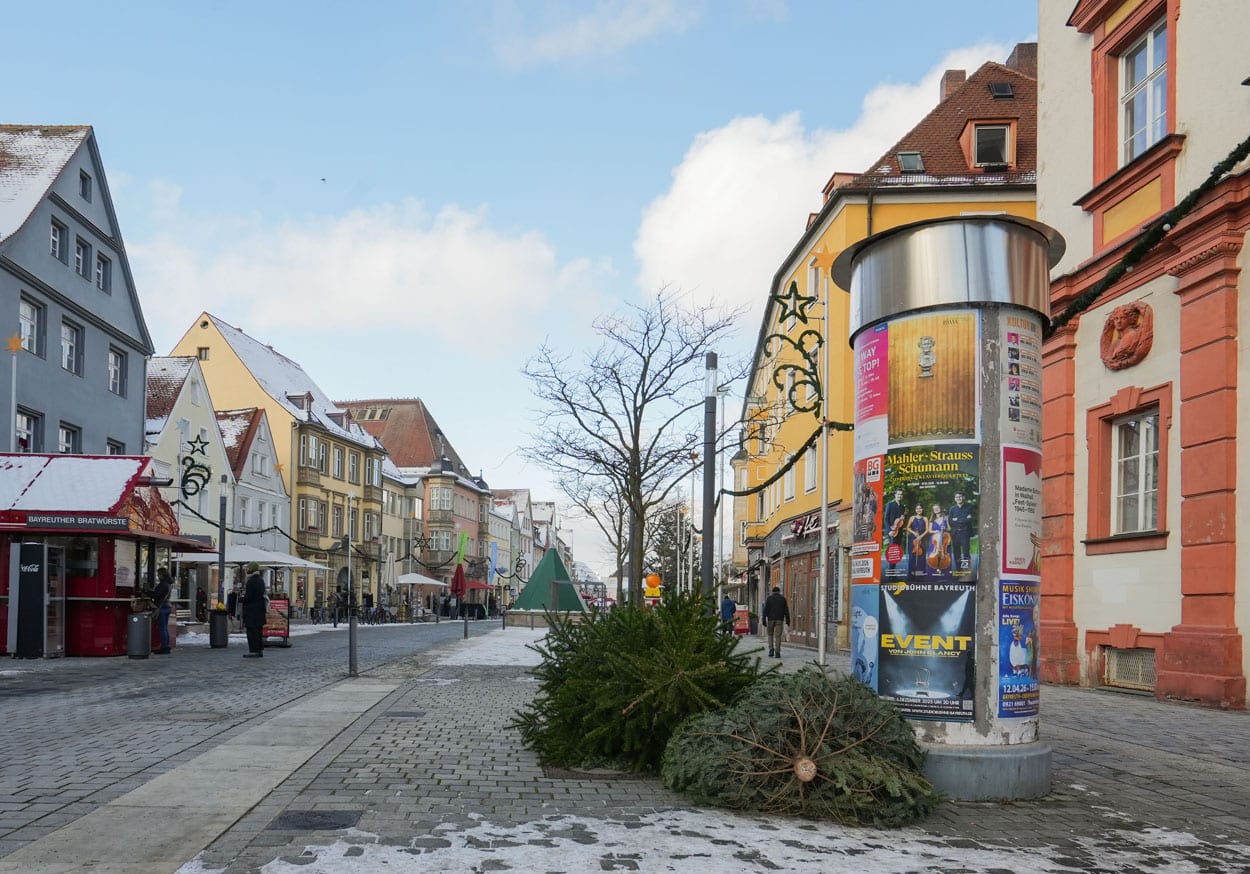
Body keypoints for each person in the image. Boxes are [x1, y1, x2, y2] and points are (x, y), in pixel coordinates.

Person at [240, 561, 267, 658]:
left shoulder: (251, 581)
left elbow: (249, 597)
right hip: (260, 610)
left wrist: (242, 599)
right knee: (258, 631)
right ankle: (259, 650)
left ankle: (253, 650)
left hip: (252, 611)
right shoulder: (261, 580)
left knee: (252, 632)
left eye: (248, 568)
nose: (247, 570)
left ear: (252, 569)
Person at [947, 491, 974, 576]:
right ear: (955, 499)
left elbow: (969, 520)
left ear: (963, 497)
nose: (958, 498)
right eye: (957, 497)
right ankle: (959, 571)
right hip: (955, 534)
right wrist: (963, 519)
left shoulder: (969, 507)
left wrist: (957, 520)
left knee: (966, 552)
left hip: (965, 533)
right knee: (956, 553)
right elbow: (950, 522)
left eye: (960, 496)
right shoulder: (952, 509)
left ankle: (966, 572)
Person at [762, 586, 790, 659]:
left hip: (770, 619)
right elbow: (786, 611)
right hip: (779, 620)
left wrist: (763, 619)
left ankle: (771, 649)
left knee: (770, 634)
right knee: (778, 636)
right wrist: (788, 621)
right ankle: (777, 652)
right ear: (779, 592)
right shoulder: (783, 599)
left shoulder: (769, 599)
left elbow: (765, 610)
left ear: (772, 592)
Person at [882, 489, 907, 571]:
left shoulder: (902, 507)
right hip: (891, 532)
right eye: (898, 494)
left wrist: (903, 518)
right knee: (892, 552)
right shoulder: (890, 504)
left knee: (896, 553)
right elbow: (886, 519)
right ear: (895, 495)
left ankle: (892, 570)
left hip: (899, 532)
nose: (899, 496)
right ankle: (890, 572)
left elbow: (902, 522)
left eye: (901, 494)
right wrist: (889, 530)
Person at [151, 566, 173, 655]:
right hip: (167, 606)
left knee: (162, 628)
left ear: (162, 575)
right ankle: (166, 646)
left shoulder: (163, 584)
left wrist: (147, 592)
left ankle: (164, 647)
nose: (157, 576)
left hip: (162, 607)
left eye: (158, 574)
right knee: (164, 628)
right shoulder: (168, 583)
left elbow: (157, 595)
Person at [905, 503, 929, 579]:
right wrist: (914, 533)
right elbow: (907, 528)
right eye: (917, 508)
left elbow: (927, 530)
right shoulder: (912, 518)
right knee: (912, 557)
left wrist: (921, 536)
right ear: (915, 510)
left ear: (922, 509)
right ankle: (912, 575)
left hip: (922, 539)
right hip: (913, 539)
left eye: (920, 508)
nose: (919, 510)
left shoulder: (925, 518)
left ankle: (920, 575)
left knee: (921, 557)